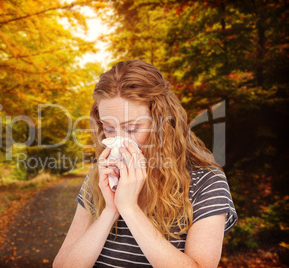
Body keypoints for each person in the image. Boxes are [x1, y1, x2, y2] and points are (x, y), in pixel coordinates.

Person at [53, 60, 238, 267]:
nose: (120, 142)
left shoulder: (206, 182)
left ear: (163, 124)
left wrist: (130, 208)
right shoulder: (101, 176)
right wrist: (110, 211)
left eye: (132, 128)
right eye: (109, 129)